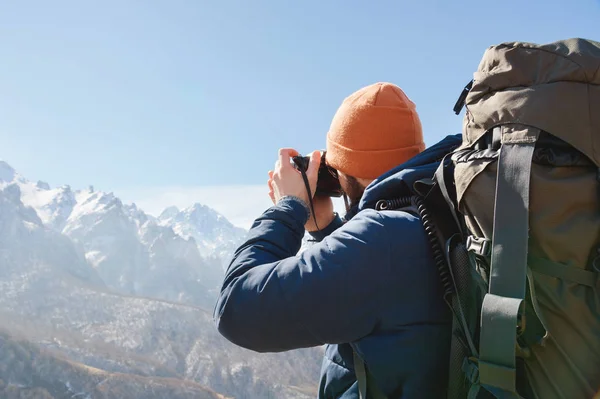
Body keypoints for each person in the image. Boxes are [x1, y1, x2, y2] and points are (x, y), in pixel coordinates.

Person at [213, 82, 452, 398]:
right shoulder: (432, 216)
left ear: (346, 173)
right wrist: (326, 228)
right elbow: (380, 290)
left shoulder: (381, 242)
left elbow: (236, 309)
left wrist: (289, 208)